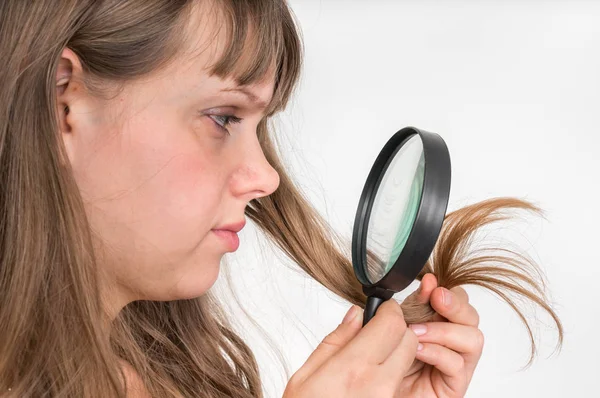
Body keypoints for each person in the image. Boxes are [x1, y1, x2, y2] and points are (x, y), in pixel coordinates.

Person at [0, 1, 560, 397]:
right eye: (223, 117)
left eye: (260, 127)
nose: (266, 177)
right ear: (62, 105)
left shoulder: (180, 381)